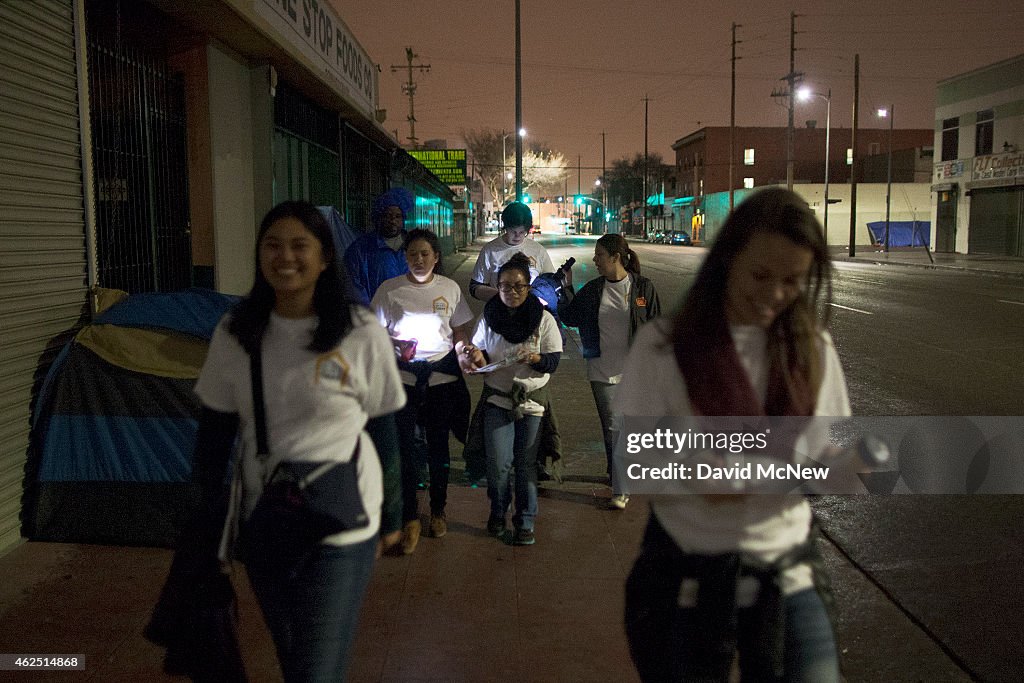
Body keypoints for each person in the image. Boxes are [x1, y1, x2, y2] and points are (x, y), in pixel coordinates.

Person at [615, 188, 848, 681]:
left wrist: (841, 467)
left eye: (793, 280)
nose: (774, 294)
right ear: (726, 261)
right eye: (760, 275)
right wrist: (699, 478)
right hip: (688, 571)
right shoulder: (664, 345)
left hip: (788, 569)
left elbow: (818, 454)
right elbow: (633, 459)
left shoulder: (814, 348)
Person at [191, 200, 406, 681]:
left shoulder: (359, 331)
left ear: (325, 257)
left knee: (315, 672)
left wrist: (394, 516)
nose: (284, 257)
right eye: (272, 245)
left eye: (299, 246)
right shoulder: (236, 332)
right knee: (294, 657)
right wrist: (206, 536)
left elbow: (383, 426)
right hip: (267, 519)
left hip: (344, 521)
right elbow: (213, 441)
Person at [370, 229, 474, 554]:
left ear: (436, 257)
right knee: (403, 449)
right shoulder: (390, 290)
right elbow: (373, 333)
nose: (419, 259)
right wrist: (395, 344)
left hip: (440, 380)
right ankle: (410, 516)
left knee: (438, 448)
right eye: (413, 254)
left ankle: (438, 509)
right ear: (405, 257)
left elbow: (459, 331)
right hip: (402, 381)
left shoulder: (450, 289)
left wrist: (464, 353)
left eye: (425, 254)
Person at [458, 253, 562, 545]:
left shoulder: (543, 319)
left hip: (532, 402)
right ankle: (497, 511)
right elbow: (479, 353)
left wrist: (536, 358)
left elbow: (553, 361)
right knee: (498, 463)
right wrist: (474, 357)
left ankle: (526, 520)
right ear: (497, 287)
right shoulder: (488, 317)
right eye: (505, 286)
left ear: (529, 287)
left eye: (518, 286)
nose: (512, 292)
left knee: (526, 463)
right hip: (498, 399)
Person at [557, 234, 660, 510]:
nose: (595, 260)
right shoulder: (593, 290)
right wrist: (565, 290)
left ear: (615, 257)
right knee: (614, 427)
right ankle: (620, 488)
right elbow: (570, 317)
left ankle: (616, 472)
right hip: (602, 370)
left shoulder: (642, 288)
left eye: (599, 255)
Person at [469, 201, 554, 302]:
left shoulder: (538, 250)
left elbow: (551, 282)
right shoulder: (490, 251)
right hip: (501, 313)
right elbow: (475, 286)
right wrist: (501, 297)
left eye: (522, 232)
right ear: (505, 227)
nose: (517, 236)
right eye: (513, 231)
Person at [344, 187, 415, 306]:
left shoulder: (413, 245)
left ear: (403, 219)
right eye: (388, 216)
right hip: (377, 318)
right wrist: (370, 316)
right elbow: (352, 285)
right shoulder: (361, 249)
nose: (393, 221)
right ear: (379, 217)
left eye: (398, 216)